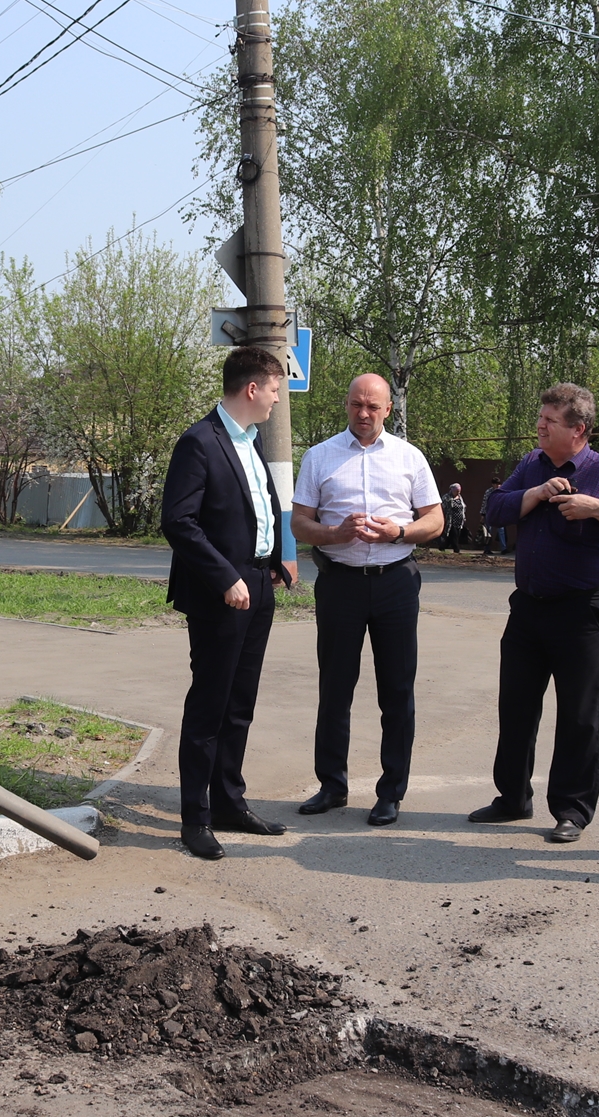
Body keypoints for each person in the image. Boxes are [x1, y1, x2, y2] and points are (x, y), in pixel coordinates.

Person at [469, 384, 599, 842]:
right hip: (528, 608)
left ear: (579, 430)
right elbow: (493, 508)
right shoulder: (531, 465)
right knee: (515, 706)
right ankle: (512, 798)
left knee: (578, 714)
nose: (540, 425)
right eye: (540, 417)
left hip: (582, 609)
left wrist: (598, 508)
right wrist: (532, 494)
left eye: (550, 420)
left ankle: (571, 810)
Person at [160, 348, 299, 861]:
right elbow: (179, 522)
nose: (277, 398)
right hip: (221, 594)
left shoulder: (250, 441)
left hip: (259, 586)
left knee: (239, 705)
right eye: (275, 389)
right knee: (209, 707)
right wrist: (225, 576)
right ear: (251, 389)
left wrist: (278, 559)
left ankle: (228, 803)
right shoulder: (199, 443)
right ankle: (194, 820)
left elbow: (259, 506)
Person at [291, 374, 443, 827]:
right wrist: (334, 534)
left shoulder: (408, 457)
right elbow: (300, 523)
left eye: (372, 406)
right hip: (339, 582)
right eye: (356, 404)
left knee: (396, 690)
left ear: (388, 409)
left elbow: (434, 520)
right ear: (346, 404)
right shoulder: (320, 457)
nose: (363, 413)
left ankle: (391, 792)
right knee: (335, 687)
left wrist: (398, 531)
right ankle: (332, 786)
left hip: (396, 580)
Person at [441, 483, 467, 554]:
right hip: (451, 520)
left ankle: (442, 547)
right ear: (452, 490)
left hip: (459, 521)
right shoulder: (447, 497)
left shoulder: (460, 498)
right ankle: (456, 550)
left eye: (459, 491)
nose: (458, 493)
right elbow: (443, 508)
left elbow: (463, 508)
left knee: (454, 535)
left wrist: (463, 517)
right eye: (457, 491)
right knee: (453, 534)